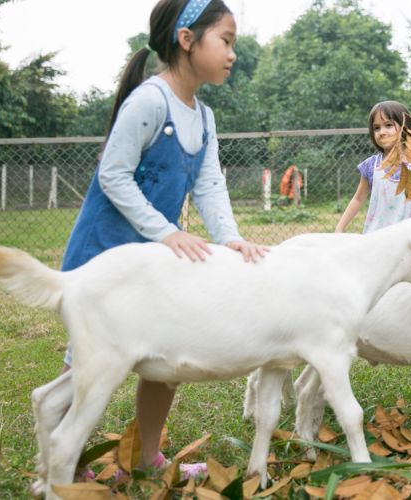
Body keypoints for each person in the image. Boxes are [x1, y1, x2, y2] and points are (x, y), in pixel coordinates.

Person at [59, 0, 266, 475]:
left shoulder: (205, 117)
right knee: (92, 359)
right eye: (226, 41)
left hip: (152, 260)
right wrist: (168, 232)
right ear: (187, 39)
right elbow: (113, 175)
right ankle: (67, 456)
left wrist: (229, 237)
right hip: (106, 254)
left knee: (165, 355)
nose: (233, 54)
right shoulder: (150, 100)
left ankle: (146, 456)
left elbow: (210, 185)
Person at [335, 100, 411, 233]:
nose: (381, 132)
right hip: (378, 239)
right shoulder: (371, 166)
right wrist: (340, 227)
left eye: (388, 125)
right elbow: (358, 198)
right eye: (376, 128)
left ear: (404, 127)